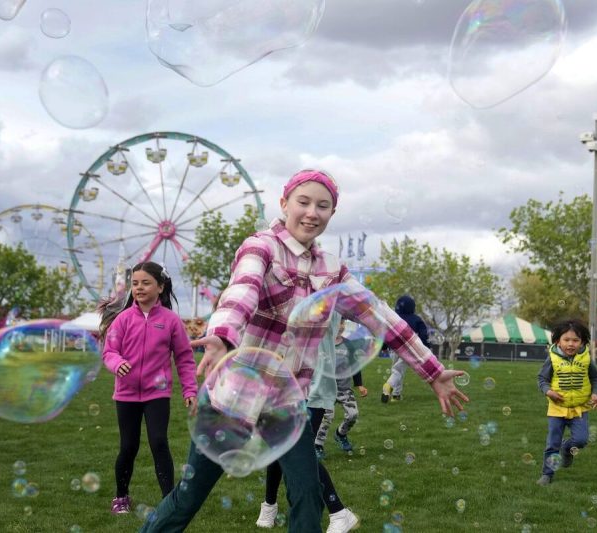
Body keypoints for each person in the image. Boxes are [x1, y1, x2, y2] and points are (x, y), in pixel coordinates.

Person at [140, 169, 468, 533]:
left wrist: (433, 372)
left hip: (287, 404)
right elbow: (242, 291)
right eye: (304, 202)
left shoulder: (332, 270)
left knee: (308, 495)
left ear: (331, 214)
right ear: (284, 204)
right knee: (189, 496)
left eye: (323, 206)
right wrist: (221, 336)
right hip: (234, 398)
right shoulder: (260, 246)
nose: (313, 212)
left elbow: (382, 318)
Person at [99, 261, 199, 515]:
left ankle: (169, 501)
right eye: (135, 284)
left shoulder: (171, 321)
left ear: (160, 287)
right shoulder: (122, 320)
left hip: (158, 393)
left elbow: (185, 358)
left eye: (146, 283)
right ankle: (121, 496)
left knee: (159, 442)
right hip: (126, 394)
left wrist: (190, 391)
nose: (139, 288)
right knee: (128, 446)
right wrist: (117, 363)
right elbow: (109, 351)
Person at [257, 314, 359, 532]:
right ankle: (270, 505)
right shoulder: (293, 295)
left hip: (314, 390)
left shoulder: (326, 299)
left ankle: (338, 511)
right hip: (286, 387)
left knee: (298, 453)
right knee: (279, 447)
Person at [535, 319, 597, 486]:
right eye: (566, 340)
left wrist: (595, 394)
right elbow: (542, 379)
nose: (570, 344)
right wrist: (548, 391)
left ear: (583, 342)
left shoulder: (586, 359)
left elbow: (595, 377)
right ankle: (547, 475)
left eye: (575, 340)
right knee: (552, 444)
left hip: (580, 408)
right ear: (558, 341)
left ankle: (567, 449)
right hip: (557, 408)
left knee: (581, 440)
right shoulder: (553, 358)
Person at [317, 319, 369, 454]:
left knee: (353, 414)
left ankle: (340, 434)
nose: (341, 326)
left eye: (343, 323)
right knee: (326, 418)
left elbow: (355, 366)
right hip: (327, 390)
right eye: (338, 322)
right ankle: (318, 445)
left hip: (344, 389)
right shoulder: (323, 344)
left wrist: (360, 385)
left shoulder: (349, 345)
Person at [381, 295, 430, 402]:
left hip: (393, 349)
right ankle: (388, 386)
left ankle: (396, 395)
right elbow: (423, 335)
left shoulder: (394, 318)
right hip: (408, 349)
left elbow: (386, 334)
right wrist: (426, 347)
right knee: (398, 371)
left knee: (398, 370)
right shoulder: (416, 319)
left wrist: (384, 347)